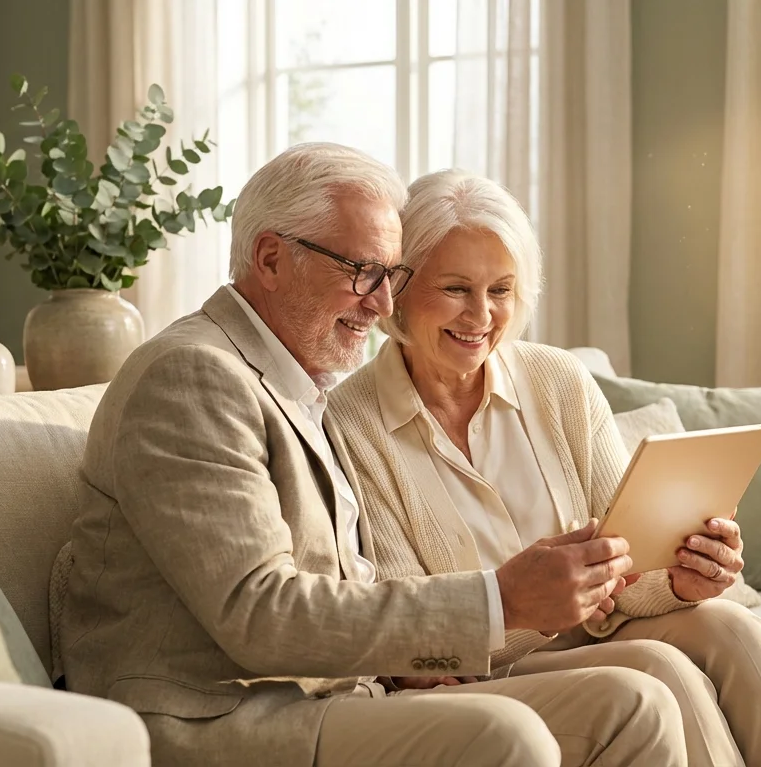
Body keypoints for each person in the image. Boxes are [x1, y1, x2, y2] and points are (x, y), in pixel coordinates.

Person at [59, 143, 689, 767]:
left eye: (389, 276)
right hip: (218, 715)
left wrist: (404, 664)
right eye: (362, 271)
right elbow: (258, 612)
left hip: (332, 694)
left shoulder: (297, 384)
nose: (383, 304)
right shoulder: (194, 375)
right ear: (271, 258)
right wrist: (502, 599)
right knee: (507, 734)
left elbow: (345, 581)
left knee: (633, 701)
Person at [327, 169, 761, 767]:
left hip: (596, 632)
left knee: (732, 630)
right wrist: (543, 604)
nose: (481, 316)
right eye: (456, 288)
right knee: (662, 666)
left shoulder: (559, 380)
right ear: (400, 292)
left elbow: (627, 563)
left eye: (502, 290)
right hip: (482, 670)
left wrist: (676, 579)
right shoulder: (350, 422)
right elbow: (407, 628)